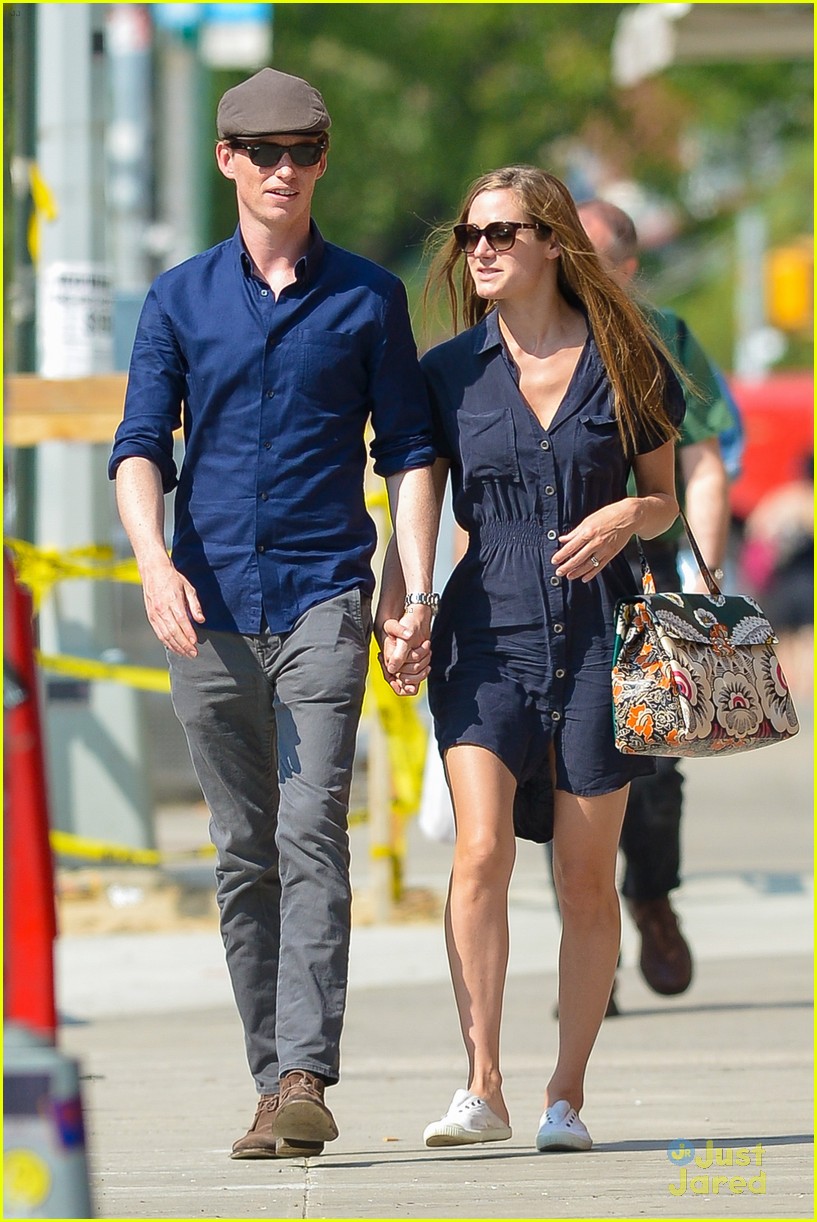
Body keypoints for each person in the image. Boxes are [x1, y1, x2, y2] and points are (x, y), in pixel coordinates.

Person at [109, 67, 438, 1160]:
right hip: (201, 606)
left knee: (310, 830)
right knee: (243, 848)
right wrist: (153, 563)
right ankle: (270, 1080)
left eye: (302, 151)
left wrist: (406, 581)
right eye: (263, 153)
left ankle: (305, 1074)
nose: (283, 170)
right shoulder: (179, 298)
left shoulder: (367, 297)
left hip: (323, 595)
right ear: (227, 163)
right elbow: (140, 446)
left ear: (323, 161)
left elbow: (412, 452)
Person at [379, 165, 684, 1152]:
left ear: (553, 242)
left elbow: (665, 496)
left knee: (587, 880)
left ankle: (565, 1092)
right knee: (478, 853)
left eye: (503, 232)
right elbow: (416, 492)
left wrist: (628, 515)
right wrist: (411, 595)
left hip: (605, 634)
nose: (480, 249)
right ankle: (481, 1084)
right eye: (471, 231)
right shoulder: (446, 373)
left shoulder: (627, 356)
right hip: (485, 630)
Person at [577, 199, 734, 1006]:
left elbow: (702, 460)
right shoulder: (524, 332)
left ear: (627, 269)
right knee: (560, 766)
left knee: (655, 768)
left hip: (646, 581)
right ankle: (588, 942)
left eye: (590, 255)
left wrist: (703, 581)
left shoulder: (664, 337)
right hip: (559, 584)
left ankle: (649, 897)